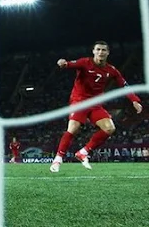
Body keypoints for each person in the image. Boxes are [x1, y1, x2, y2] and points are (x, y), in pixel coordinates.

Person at [50, 41, 143, 173]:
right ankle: (58, 159)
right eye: (98, 49)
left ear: (108, 53)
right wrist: (63, 63)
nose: (101, 52)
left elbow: (124, 84)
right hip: (79, 101)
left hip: (95, 104)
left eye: (103, 50)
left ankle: (83, 152)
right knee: (73, 129)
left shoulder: (111, 70)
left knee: (110, 128)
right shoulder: (84, 62)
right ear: (93, 51)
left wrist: (134, 100)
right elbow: (69, 64)